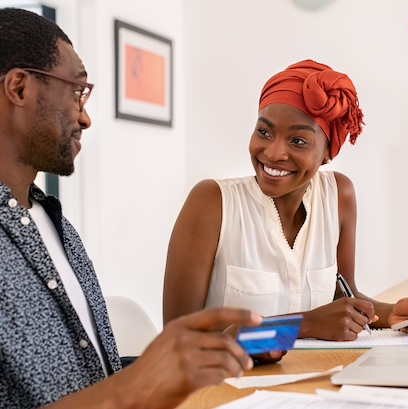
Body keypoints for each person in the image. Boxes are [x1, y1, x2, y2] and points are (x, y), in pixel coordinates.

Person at [0, 8, 263, 409]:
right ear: (19, 88)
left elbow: (91, 382)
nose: (85, 117)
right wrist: (139, 382)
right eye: (77, 91)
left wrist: (190, 359)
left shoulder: (56, 227)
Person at [163, 59, 408, 343]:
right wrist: (304, 325)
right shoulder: (212, 202)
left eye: (298, 141)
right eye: (264, 132)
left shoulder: (338, 194)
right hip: (222, 388)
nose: (274, 153)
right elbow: (178, 340)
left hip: (311, 379)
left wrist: (389, 313)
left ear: (327, 153)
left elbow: (343, 294)